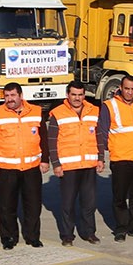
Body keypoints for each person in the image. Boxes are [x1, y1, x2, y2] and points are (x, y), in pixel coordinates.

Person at [0, 83, 49, 250]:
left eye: (13, 95)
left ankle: (33, 237)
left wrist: (45, 160)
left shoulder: (36, 112)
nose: (10, 99)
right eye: (6, 96)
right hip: (7, 168)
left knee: (33, 205)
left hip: (31, 167)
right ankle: (9, 238)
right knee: (7, 206)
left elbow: (44, 136)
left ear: (21, 96)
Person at [47, 80, 103, 246]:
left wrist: (100, 158)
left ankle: (89, 233)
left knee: (89, 203)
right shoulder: (57, 113)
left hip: (88, 164)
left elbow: (98, 136)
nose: (77, 98)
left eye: (80, 95)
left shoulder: (94, 111)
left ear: (84, 95)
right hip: (68, 167)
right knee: (68, 204)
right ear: (67, 95)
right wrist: (56, 163)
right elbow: (52, 141)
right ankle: (67, 236)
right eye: (74, 95)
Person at [97, 74, 133, 241]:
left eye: (132, 89)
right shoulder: (110, 105)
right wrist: (112, 148)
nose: (129, 92)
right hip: (120, 158)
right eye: (126, 88)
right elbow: (102, 131)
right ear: (120, 88)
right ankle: (121, 228)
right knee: (120, 196)